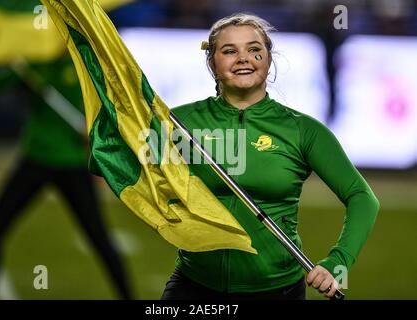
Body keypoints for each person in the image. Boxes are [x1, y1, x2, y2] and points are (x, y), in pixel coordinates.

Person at [161, 13, 380, 300]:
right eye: (229, 51)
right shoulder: (178, 122)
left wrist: (338, 263)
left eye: (254, 50)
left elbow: (362, 197)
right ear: (212, 62)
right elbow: (116, 166)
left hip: (278, 290)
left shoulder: (302, 130)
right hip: (192, 286)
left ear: (268, 60)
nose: (243, 58)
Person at [0, 55, 133, 300]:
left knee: (99, 238)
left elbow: (102, 107)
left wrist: (93, 129)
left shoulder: (81, 63)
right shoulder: (32, 63)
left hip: (72, 163)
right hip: (35, 158)